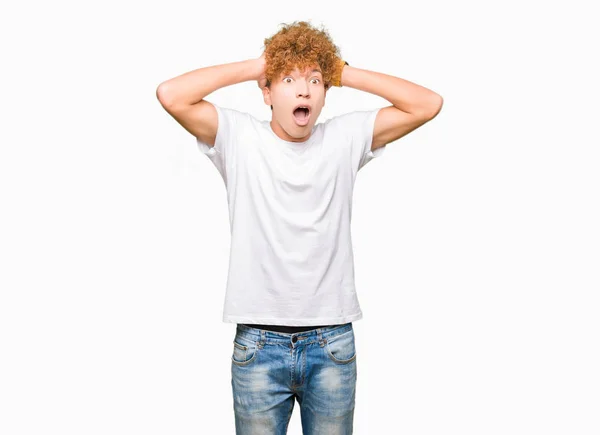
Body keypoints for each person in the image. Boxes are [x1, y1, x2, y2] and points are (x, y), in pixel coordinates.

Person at [157, 20, 442, 435]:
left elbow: (427, 103)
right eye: (288, 80)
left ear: (326, 92)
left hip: (332, 344)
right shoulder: (238, 137)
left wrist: (342, 71)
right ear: (268, 93)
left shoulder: (344, 138)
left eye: (315, 80)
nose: (304, 90)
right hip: (257, 346)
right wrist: (260, 65)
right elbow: (171, 95)